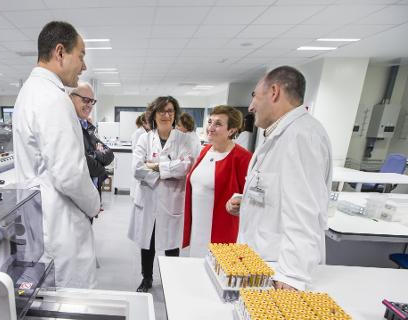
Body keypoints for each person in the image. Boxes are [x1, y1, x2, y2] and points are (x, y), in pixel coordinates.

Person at [226, 66, 332, 291]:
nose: (252, 106)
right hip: (260, 262)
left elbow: (305, 212)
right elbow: (277, 190)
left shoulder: (302, 136)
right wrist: (245, 200)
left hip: (280, 272)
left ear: (274, 92)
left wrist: (292, 276)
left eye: (254, 96)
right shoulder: (279, 134)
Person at [12, 21, 101, 289]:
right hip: (60, 224)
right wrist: (94, 203)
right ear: (60, 53)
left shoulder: (29, 93)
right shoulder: (53, 99)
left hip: (42, 219)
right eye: (81, 55)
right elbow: (70, 175)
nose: (84, 66)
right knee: (71, 307)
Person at [128, 96, 195, 292]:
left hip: (171, 199)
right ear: (154, 114)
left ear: (175, 115)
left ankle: (172, 279)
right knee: (147, 242)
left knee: (171, 244)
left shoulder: (183, 139)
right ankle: (146, 278)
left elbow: (185, 166)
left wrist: (156, 166)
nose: (166, 115)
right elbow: (137, 169)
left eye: (170, 111)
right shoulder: (145, 138)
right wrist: (168, 170)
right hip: (148, 200)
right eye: (162, 111)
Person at [182, 106, 252, 257]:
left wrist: (239, 201)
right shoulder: (205, 151)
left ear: (232, 130)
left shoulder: (242, 157)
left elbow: (249, 197)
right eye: (210, 122)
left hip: (221, 232)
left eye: (218, 124)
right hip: (198, 229)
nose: (210, 128)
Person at [70, 82, 114, 204]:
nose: (89, 104)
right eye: (85, 100)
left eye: (92, 101)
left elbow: (110, 154)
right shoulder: (68, 127)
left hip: (93, 192)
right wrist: (101, 166)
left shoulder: (88, 126)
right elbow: (85, 165)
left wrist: (94, 155)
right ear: (70, 97)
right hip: (78, 197)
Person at [130, 113, 150, 199]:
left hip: (144, 165)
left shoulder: (146, 133)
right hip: (140, 163)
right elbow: (137, 150)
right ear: (144, 123)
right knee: (137, 191)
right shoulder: (139, 133)